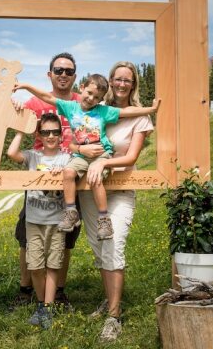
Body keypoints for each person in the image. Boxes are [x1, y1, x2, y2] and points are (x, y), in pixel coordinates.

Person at [12, 74, 159, 243]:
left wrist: (151, 110)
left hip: (100, 153)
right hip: (81, 155)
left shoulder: (103, 111)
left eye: (97, 97)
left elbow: (126, 111)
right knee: (67, 172)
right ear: (82, 87)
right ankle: (70, 211)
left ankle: (104, 220)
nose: (91, 99)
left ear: (101, 100)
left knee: (95, 178)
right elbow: (47, 97)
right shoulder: (70, 107)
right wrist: (25, 85)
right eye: (89, 93)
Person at [77, 62, 154, 342]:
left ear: (133, 85)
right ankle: (108, 300)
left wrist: (106, 161)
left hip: (121, 190)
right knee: (99, 247)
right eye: (117, 79)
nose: (122, 84)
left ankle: (114, 316)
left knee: (114, 244)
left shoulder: (140, 118)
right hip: (90, 190)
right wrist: (80, 149)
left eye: (127, 80)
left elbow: (131, 157)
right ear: (110, 81)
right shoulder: (96, 109)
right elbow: (72, 134)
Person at [10, 53, 83, 311]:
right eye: (58, 70)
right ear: (49, 73)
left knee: (64, 239)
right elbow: (11, 117)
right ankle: (25, 289)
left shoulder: (81, 103)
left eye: (68, 71)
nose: (63, 75)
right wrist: (15, 106)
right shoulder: (34, 102)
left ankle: (58, 292)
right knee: (26, 238)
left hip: (72, 179)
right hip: (39, 179)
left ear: (75, 76)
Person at [7, 113, 71, 329]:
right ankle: (43, 304)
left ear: (61, 135)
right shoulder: (33, 157)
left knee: (53, 265)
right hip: (33, 221)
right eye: (45, 132)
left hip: (57, 222)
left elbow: (74, 174)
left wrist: (61, 172)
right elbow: (11, 153)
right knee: (34, 266)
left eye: (55, 132)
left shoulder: (67, 158)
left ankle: (47, 308)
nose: (51, 136)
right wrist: (20, 131)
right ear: (39, 135)